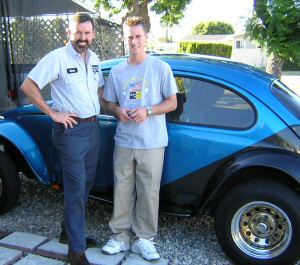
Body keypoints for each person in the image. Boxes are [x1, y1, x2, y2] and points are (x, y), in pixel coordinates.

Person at [21, 12, 104, 265]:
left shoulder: (96, 59)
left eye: (87, 33)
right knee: (76, 188)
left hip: (93, 128)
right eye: (78, 32)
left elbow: (98, 90)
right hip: (71, 132)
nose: (83, 37)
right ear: (70, 33)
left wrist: (118, 107)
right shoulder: (57, 58)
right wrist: (53, 113)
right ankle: (76, 252)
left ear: (93, 35)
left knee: (87, 183)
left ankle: (68, 231)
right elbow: (28, 85)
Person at [101, 16, 177, 261]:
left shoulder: (160, 68)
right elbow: (109, 102)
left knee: (148, 191)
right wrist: (117, 110)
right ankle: (120, 237)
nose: (133, 41)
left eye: (138, 36)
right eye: (129, 37)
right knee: (122, 190)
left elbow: (172, 102)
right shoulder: (118, 71)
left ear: (146, 38)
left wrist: (149, 111)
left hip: (152, 141)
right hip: (124, 140)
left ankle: (143, 239)